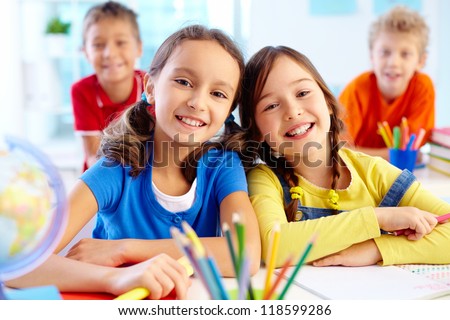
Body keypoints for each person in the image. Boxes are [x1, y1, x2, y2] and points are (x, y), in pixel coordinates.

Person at [8, 24, 260, 296]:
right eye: (184, 82)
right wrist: (114, 278)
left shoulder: (223, 166)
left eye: (218, 94)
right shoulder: (114, 170)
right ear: (150, 87)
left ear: (228, 111)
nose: (198, 102)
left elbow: (244, 254)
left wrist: (124, 249)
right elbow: (18, 263)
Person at [239, 45, 450, 268]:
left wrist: (376, 249)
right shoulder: (263, 179)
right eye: (271, 105)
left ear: (329, 103)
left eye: (302, 93)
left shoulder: (373, 172)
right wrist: (377, 218)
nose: (292, 111)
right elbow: (275, 247)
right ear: (257, 132)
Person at [338, 5, 434, 160]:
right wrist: (394, 155)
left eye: (405, 54)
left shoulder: (423, 87)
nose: (393, 62)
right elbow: (338, 150)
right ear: (372, 56)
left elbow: (412, 151)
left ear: (421, 61)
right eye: (385, 52)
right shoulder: (356, 89)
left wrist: (361, 153)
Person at [71, 1, 145, 171]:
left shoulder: (152, 87)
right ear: (86, 53)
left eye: (120, 42)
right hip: (101, 179)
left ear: (139, 48)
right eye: (98, 45)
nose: (109, 53)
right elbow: (93, 156)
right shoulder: (81, 91)